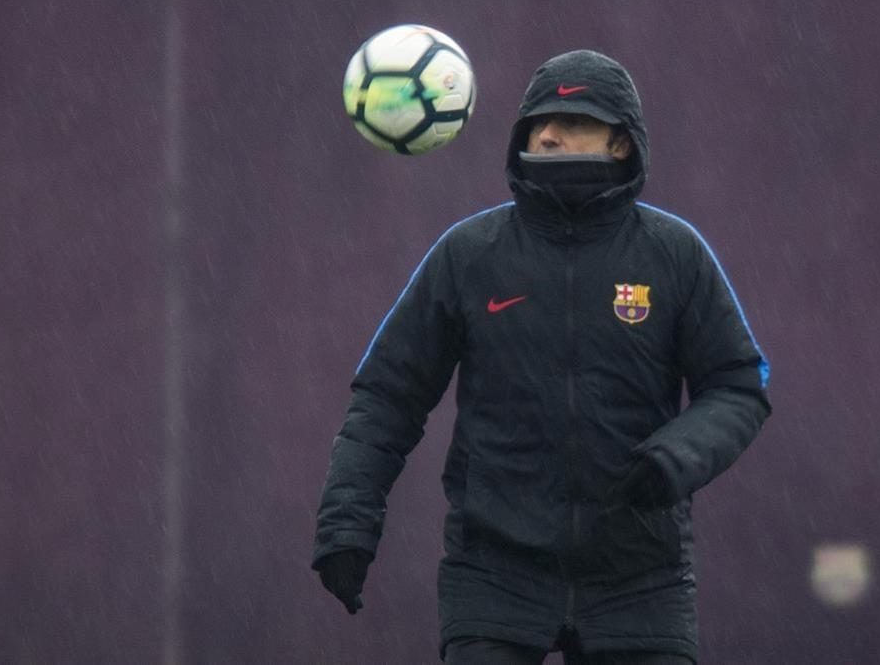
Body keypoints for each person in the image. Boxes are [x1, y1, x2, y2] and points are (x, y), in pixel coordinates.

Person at [311, 49, 771, 665]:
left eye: (573, 119)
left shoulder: (674, 254)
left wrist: (678, 456)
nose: (548, 133)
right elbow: (387, 398)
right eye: (536, 123)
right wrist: (347, 524)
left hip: (642, 580)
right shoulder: (470, 253)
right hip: (493, 576)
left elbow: (740, 384)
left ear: (620, 143)